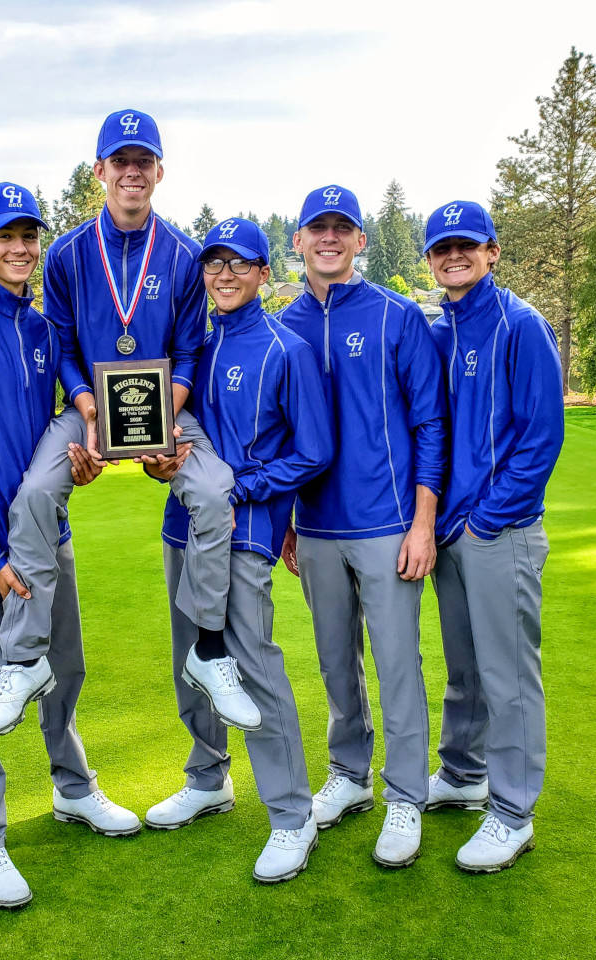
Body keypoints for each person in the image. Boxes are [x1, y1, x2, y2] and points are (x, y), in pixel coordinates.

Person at [0, 109, 254, 741]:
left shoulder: (182, 254)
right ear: (99, 171)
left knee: (212, 493)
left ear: (159, 171)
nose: (131, 172)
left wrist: (163, 419)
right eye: (119, 162)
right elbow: (65, 345)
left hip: (168, 408)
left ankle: (208, 649)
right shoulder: (68, 252)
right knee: (37, 494)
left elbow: (188, 349)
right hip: (88, 409)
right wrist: (90, 409)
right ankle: (25, 659)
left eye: (142, 161)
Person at [0, 183, 141, 909]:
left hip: (51, 538)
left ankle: (72, 789)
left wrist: (82, 463)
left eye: (28, 236)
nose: (19, 248)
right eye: (3, 236)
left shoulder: (46, 332)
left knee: (65, 670)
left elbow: (58, 440)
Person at [147, 218, 331, 883]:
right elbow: (166, 441)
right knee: (191, 663)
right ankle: (207, 779)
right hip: (184, 528)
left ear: (261, 273)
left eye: (240, 264)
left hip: (248, 534)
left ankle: (291, 814)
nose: (224, 275)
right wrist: (158, 464)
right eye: (214, 263)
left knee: (251, 666)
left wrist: (240, 489)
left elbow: (313, 451)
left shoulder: (287, 348)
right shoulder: (188, 346)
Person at [278, 185, 447, 868]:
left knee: (397, 663)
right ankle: (349, 776)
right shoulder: (282, 325)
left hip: (389, 524)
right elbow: (276, 434)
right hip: (315, 527)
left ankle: (404, 794)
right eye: (317, 228)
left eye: (341, 228)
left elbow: (429, 424)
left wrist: (424, 524)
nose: (329, 238)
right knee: (334, 661)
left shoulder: (397, 316)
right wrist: (284, 522)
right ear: (297, 241)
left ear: (360, 241)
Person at [421, 200, 563, 872]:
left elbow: (540, 439)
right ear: (430, 259)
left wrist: (484, 518)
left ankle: (512, 812)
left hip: (498, 531)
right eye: (442, 248)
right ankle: (462, 774)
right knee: (466, 670)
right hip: (452, 529)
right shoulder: (441, 329)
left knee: (508, 678)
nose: (455, 256)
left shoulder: (522, 326)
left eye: (467, 246)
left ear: (492, 251)